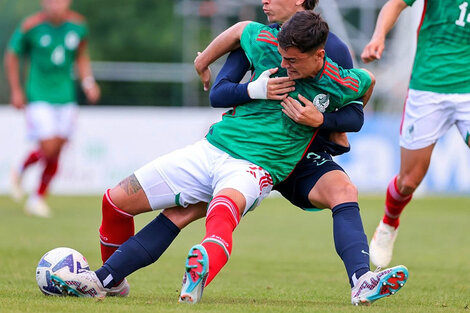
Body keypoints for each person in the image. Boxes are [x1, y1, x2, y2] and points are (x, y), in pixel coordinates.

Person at [51, 11, 408, 306]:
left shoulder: (339, 70)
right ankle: (106, 280)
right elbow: (239, 33)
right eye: (282, 57)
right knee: (122, 199)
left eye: (292, 61)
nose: (283, 65)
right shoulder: (268, 42)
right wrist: (205, 63)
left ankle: (359, 279)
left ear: (318, 53)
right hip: (210, 149)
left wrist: (327, 124)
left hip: (258, 166)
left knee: (230, 207)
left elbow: (364, 88)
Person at [360, 0, 470, 268]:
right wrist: (378, 36)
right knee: (409, 181)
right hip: (428, 87)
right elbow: (396, 3)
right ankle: (388, 223)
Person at [4, 0, 100, 218]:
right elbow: (12, 54)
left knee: (57, 150)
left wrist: (88, 82)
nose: (55, 4)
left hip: (66, 97)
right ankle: (20, 171)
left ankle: (37, 198)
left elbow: (81, 56)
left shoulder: (78, 25)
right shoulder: (31, 26)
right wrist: (16, 90)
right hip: (39, 96)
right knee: (48, 147)